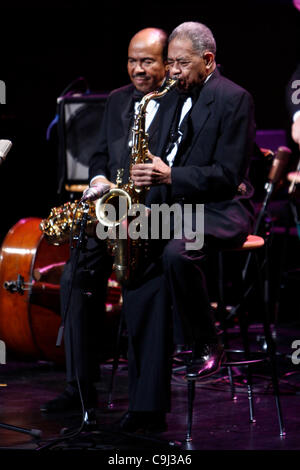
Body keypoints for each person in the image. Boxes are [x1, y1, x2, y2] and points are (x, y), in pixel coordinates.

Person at [117, 21, 256, 432]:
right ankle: (145, 403)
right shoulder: (176, 96)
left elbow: (228, 175)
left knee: (178, 252)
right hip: (176, 209)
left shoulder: (235, 99)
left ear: (208, 60)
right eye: (171, 63)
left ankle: (205, 340)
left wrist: (170, 176)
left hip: (219, 208)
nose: (172, 71)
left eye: (180, 63)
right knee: (136, 254)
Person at [40, 27, 168, 414]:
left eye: (147, 61)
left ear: (166, 63)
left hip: (151, 215)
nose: (138, 69)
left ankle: (143, 401)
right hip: (112, 207)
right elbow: (99, 157)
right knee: (74, 277)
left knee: (141, 290)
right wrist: (98, 182)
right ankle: (79, 386)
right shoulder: (116, 101)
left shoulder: (179, 102)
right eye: (132, 60)